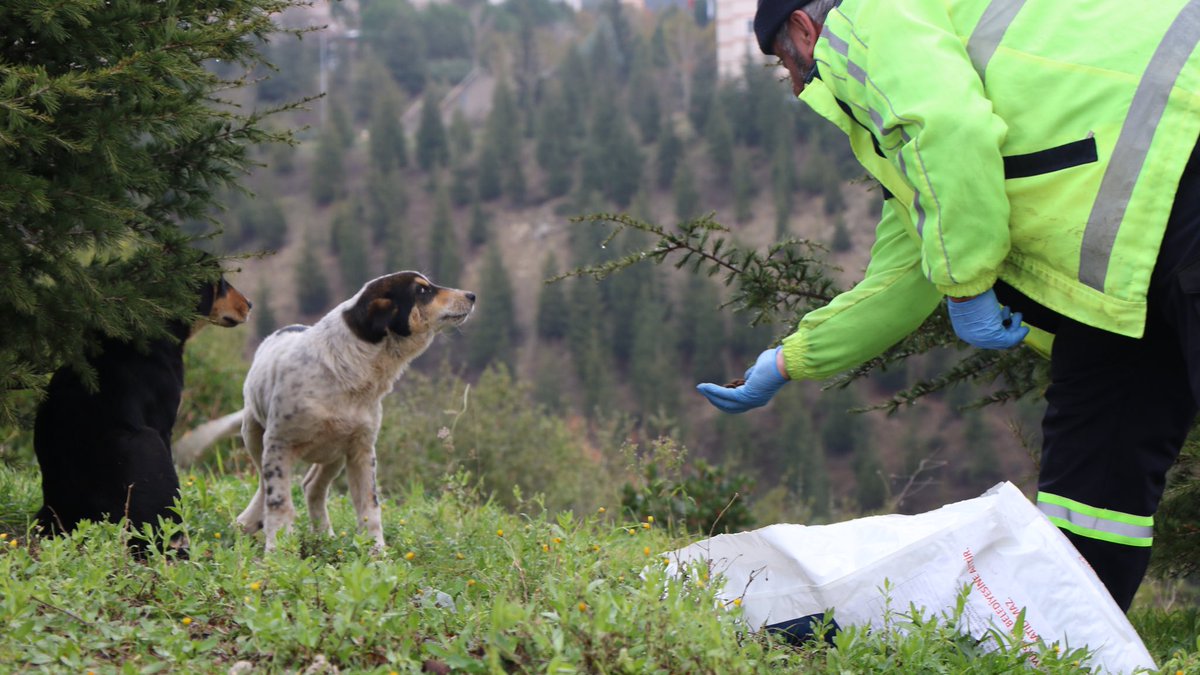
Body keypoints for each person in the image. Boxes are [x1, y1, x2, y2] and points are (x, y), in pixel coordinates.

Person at [697, 0, 1200, 612]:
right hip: (1127, 265)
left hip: (1183, 165)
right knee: (1094, 474)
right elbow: (906, 272)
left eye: (787, 63)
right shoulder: (906, 142)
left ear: (804, 27)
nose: (798, 85)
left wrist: (966, 283)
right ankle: (1066, 639)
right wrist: (787, 361)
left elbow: (949, 128)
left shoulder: (867, 19)